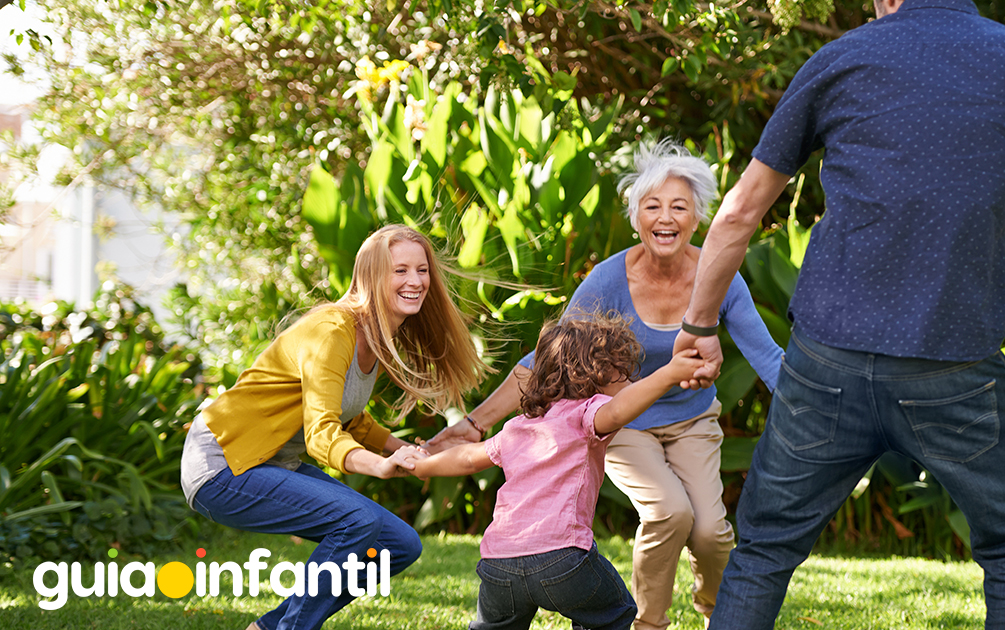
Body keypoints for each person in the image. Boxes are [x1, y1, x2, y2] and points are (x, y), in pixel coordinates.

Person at [669, 0, 1005, 627]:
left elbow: (737, 214)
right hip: (954, 371)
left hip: (827, 361)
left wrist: (699, 326)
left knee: (764, 549)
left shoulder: (840, 59)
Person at [429, 140, 783, 629]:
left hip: (692, 420)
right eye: (652, 206)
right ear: (635, 217)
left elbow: (767, 354)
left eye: (679, 206)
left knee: (710, 532)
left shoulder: (717, 275)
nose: (665, 217)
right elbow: (549, 358)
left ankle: (719, 617)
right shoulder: (608, 279)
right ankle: (649, 625)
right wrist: (474, 423)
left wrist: (817, 408)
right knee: (669, 512)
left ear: (697, 217)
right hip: (621, 423)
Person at [179, 225, 489, 630]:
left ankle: (268, 627)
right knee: (356, 521)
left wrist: (407, 449)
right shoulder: (332, 331)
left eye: (422, 269)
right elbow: (322, 433)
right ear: (371, 276)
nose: (415, 281)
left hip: (268, 462)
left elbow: (349, 415)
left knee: (398, 545)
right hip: (222, 463)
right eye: (400, 271)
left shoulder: (376, 334)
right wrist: (379, 465)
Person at [400, 314, 705, 630]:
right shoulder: (585, 415)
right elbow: (617, 411)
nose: (630, 383)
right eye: (623, 373)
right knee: (614, 612)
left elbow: (467, 458)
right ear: (596, 375)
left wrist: (420, 465)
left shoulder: (519, 426)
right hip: (562, 560)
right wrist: (670, 373)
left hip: (499, 563)